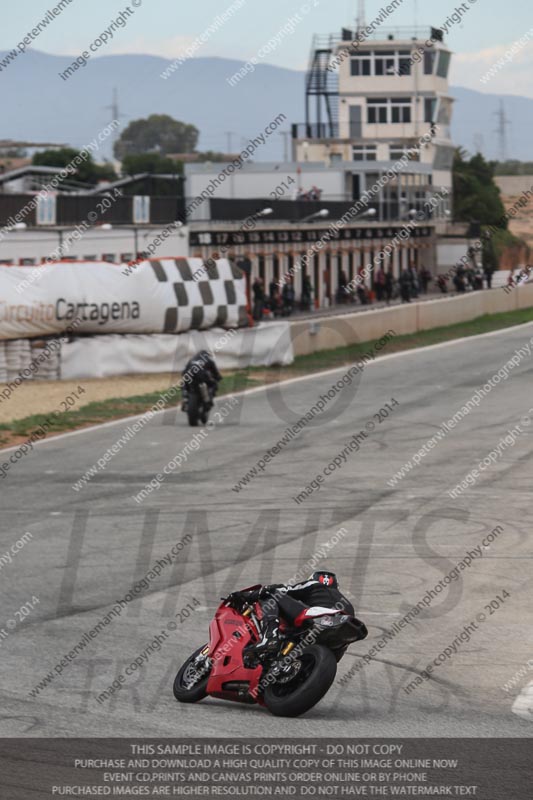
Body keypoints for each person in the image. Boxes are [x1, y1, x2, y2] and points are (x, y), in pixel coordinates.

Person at [228, 571, 362, 656]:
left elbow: (283, 589)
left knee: (274, 594)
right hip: (337, 631)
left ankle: (269, 637)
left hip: (316, 616)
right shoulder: (347, 604)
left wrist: (248, 595)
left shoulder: (313, 584)